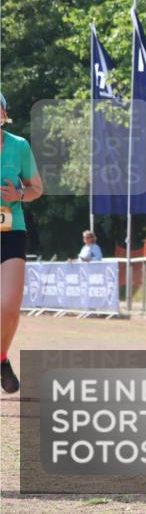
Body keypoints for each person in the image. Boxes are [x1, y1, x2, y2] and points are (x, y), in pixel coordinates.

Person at [0, 92, 44, 394]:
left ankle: (0, 357)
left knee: (9, 306)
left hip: (11, 231)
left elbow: (36, 188)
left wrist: (19, 196)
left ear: (3, 113)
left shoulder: (19, 146)